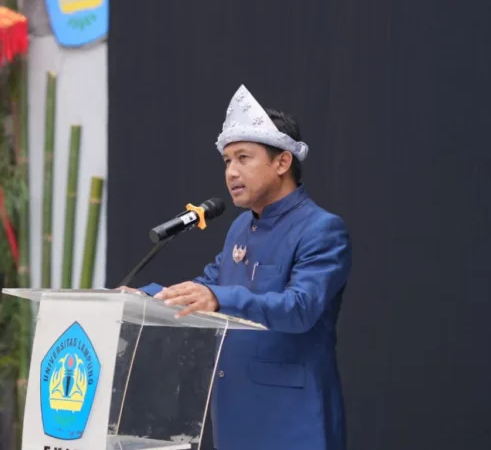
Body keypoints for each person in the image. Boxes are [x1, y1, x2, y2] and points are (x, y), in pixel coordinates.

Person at [134, 84, 352, 450]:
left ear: (282, 162)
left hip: (293, 421)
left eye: (243, 158)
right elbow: (206, 287)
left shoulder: (321, 229)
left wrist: (218, 298)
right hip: (235, 416)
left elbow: (300, 309)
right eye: (226, 161)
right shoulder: (240, 227)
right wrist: (141, 296)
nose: (231, 172)